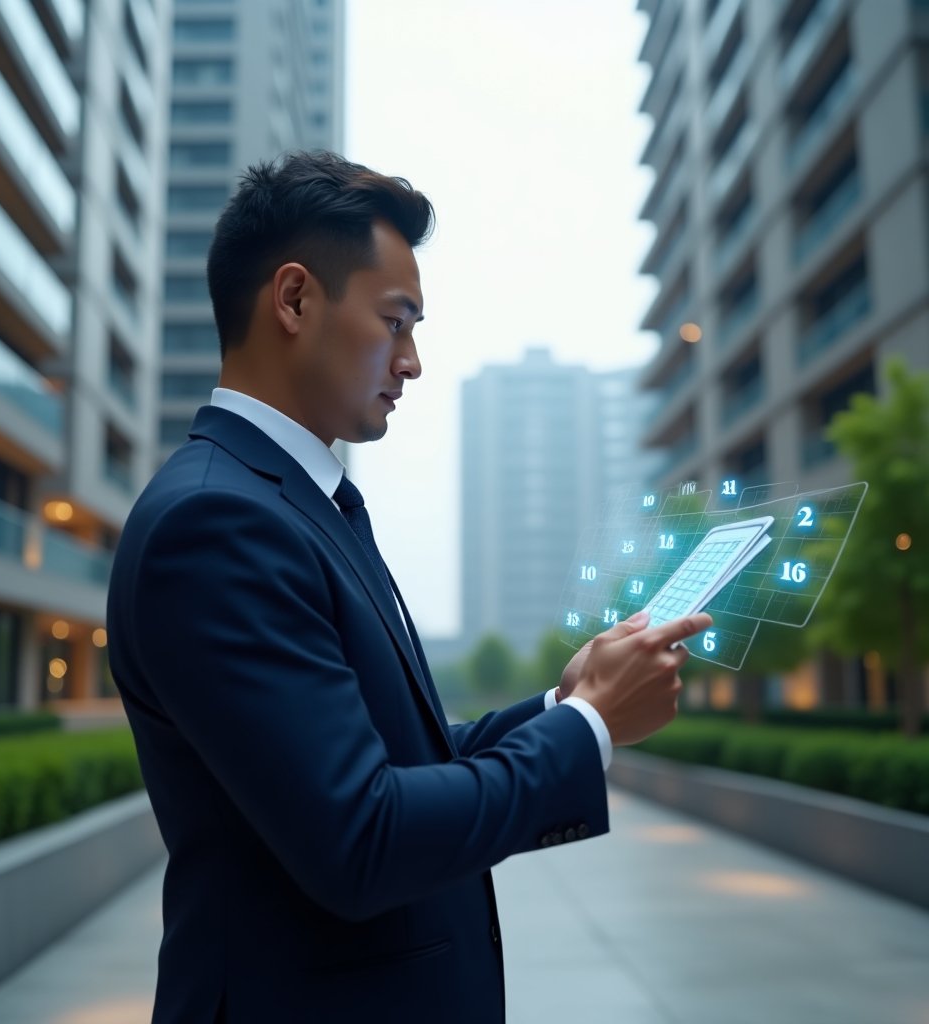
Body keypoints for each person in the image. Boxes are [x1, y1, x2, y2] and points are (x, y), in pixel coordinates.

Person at [106, 150, 712, 1023]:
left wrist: (565, 701)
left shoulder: (297, 504)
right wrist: (589, 728)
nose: (413, 361)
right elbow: (363, 835)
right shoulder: (217, 523)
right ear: (294, 300)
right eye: (396, 322)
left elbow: (399, 759)